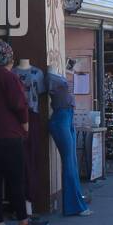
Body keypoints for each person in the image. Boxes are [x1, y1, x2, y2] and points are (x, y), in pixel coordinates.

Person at [0, 41, 49, 225]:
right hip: (8, 136)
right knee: (16, 180)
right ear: (9, 57)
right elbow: (19, 104)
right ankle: (24, 223)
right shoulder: (8, 77)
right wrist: (25, 126)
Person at [45, 64, 91, 217]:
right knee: (69, 162)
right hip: (61, 118)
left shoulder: (54, 75)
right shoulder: (48, 77)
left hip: (66, 117)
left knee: (72, 162)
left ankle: (77, 202)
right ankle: (74, 206)